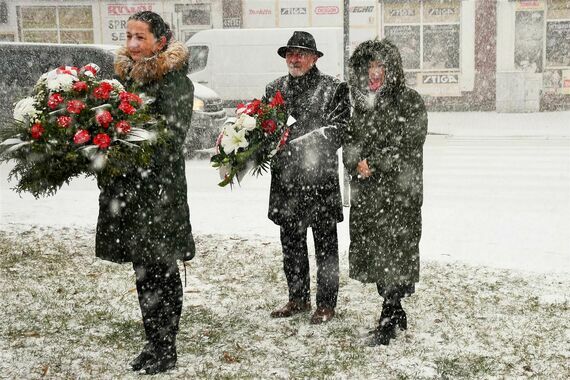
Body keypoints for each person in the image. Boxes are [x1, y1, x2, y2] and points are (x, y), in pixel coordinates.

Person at [95, 11, 195, 374]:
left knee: (163, 272)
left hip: (159, 195)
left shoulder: (176, 84)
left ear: (161, 42)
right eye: (129, 36)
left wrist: (124, 143)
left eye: (141, 38)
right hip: (129, 193)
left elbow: (170, 139)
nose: (133, 45)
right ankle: (153, 342)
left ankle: (167, 348)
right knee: (142, 273)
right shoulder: (122, 81)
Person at [343, 39, 427, 346]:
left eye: (380, 66)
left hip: (399, 193)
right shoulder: (362, 104)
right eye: (368, 67)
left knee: (396, 252)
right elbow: (349, 140)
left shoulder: (410, 101)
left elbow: (410, 142)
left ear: (392, 69)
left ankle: (390, 315)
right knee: (377, 254)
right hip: (369, 196)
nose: (373, 73)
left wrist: (373, 163)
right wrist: (355, 161)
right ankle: (392, 310)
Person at [264, 31, 350, 324]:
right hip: (285, 184)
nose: (294, 58)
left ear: (314, 58)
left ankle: (326, 304)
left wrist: (298, 140)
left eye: (301, 53)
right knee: (291, 246)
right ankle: (297, 298)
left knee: (326, 248)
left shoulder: (334, 88)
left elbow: (340, 130)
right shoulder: (273, 89)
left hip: (320, 184)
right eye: (290, 53)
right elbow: (266, 130)